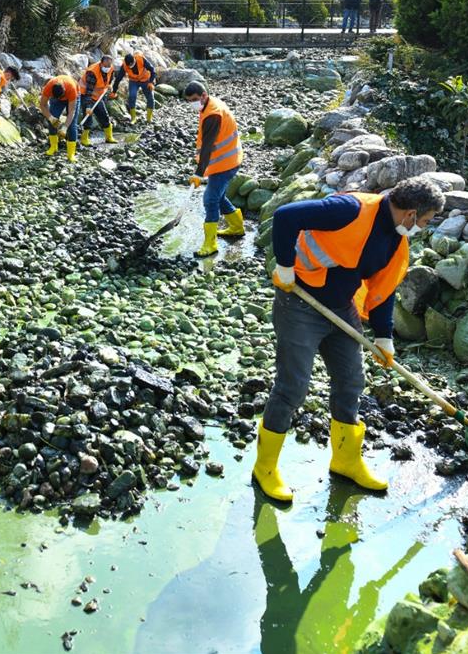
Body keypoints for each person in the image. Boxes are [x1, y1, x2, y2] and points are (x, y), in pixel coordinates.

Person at [254, 176, 445, 502]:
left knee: (351, 382)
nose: (423, 228)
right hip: (300, 302)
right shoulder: (350, 209)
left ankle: (346, 461)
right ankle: (265, 468)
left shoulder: (396, 241)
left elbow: (382, 292)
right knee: (293, 386)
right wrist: (285, 265)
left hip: (341, 310)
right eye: (424, 221)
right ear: (410, 214)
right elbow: (286, 216)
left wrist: (384, 337)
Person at [182, 81, 244, 257]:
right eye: (189, 101)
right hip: (228, 158)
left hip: (226, 163)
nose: (192, 103)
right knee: (219, 196)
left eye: (194, 99)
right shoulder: (209, 105)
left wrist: (198, 174)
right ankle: (237, 227)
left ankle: (210, 244)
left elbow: (208, 147)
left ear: (203, 95)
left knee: (210, 199)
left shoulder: (212, 115)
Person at [37, 75, 80, 161]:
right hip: (56, 100)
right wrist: (51, 118)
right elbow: (42, 105)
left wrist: (65, 128)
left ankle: (71, 154)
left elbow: (71, 112)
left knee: (72, 125)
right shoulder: (48, 87)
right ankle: (53, 147)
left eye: (61, 96)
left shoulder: (71, 88)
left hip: (73, 97)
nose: (61, 98)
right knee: (52, 120)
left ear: (64, 90)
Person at [78, 55, 117, 146]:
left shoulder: (111, 69)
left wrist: (109, 85)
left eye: (109, 66)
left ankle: (109, 137)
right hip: (85, 94)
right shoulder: (92, 72)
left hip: (98, 95)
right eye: (105, 66)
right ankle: (84, 139)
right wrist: (88, 106)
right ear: (101, 63)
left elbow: (110, 79)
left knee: (103, 114)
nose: (107, 68)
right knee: (88, 117)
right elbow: (88, 91)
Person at [113, 52, 157, 123]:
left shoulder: (141, 59)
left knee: (150, 98)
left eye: (132, 64)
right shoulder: (124, 65)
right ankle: (133, 118)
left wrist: (151, 82)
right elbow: (118, 78)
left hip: (145, 80)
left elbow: (152, 70)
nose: (131, 66)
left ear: (134, 60)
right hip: (134, 81)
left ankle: (149, 119)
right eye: (129, 65)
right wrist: (114, 91)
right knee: (132, 96)